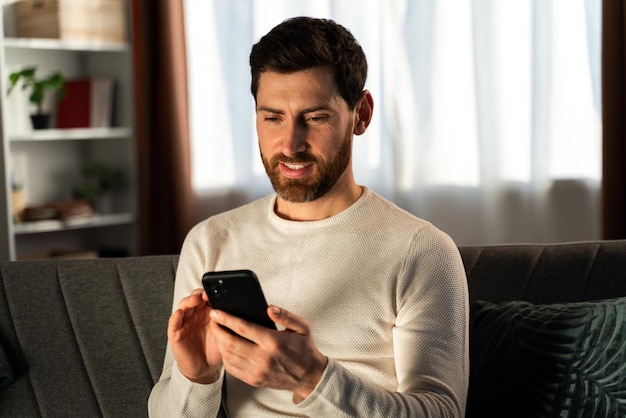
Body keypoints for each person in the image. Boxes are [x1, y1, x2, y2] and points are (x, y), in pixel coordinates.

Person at [149, 16, 469, 417]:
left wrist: (314, 379)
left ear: (361, 115)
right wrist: (196, 377)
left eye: (315, 117)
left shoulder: (421, 250)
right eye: (273, 117)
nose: (290, 144)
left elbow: (442, 412)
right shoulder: (211, 240)